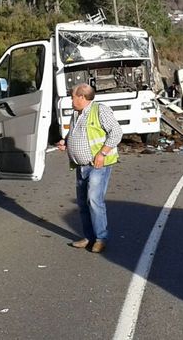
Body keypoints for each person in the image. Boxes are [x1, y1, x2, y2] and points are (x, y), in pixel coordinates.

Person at [55, 83, 122, 254]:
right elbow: (74, 133)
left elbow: (116, 132)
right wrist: (65, 141)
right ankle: (89, 237)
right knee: (83, 203)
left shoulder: (100, 110)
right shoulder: (77, 113)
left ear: (82, 97)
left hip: (97, 164)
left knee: (94, 200)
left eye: (73, 96)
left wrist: (102, 154)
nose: (71, 99)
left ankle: (100, 238)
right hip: (81, 166)